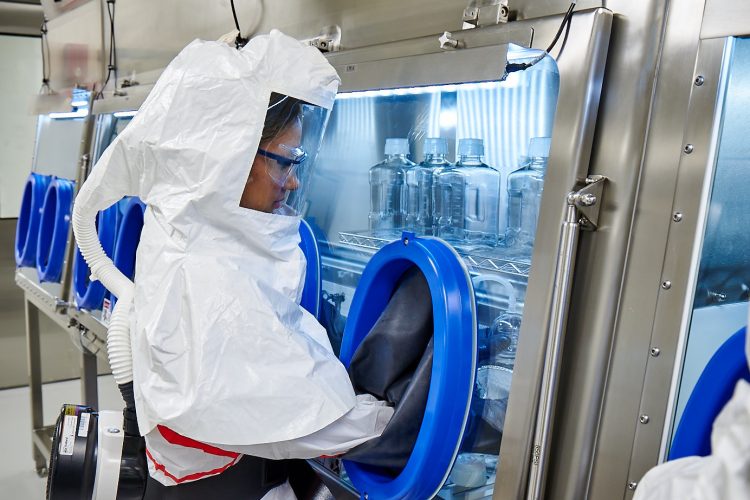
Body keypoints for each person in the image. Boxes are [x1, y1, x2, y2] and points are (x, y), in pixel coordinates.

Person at [72, 31, 392, 499]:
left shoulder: (193, 234)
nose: (295, 180)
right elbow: (283, 411)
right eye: (285, 162)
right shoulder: (201, 275)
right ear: (227, 159)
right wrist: (393, 423)